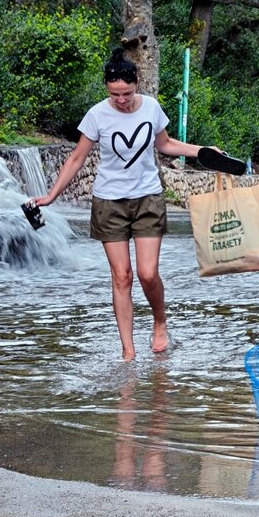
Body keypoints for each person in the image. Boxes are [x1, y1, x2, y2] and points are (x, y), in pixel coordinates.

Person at [30, 48, 213, 361]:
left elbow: (165, 145)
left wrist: (203, 150)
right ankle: (128, 351)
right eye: (114, 94)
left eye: (126, 93)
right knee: (122, 276)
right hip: (109, 202)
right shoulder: (97, 115)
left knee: (147, 273)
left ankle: (159, 321)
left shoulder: (152, 108)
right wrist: (50, 196)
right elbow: (77, 158)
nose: (121, 100)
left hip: (148, 198)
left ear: (136, 83)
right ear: (107, 89)